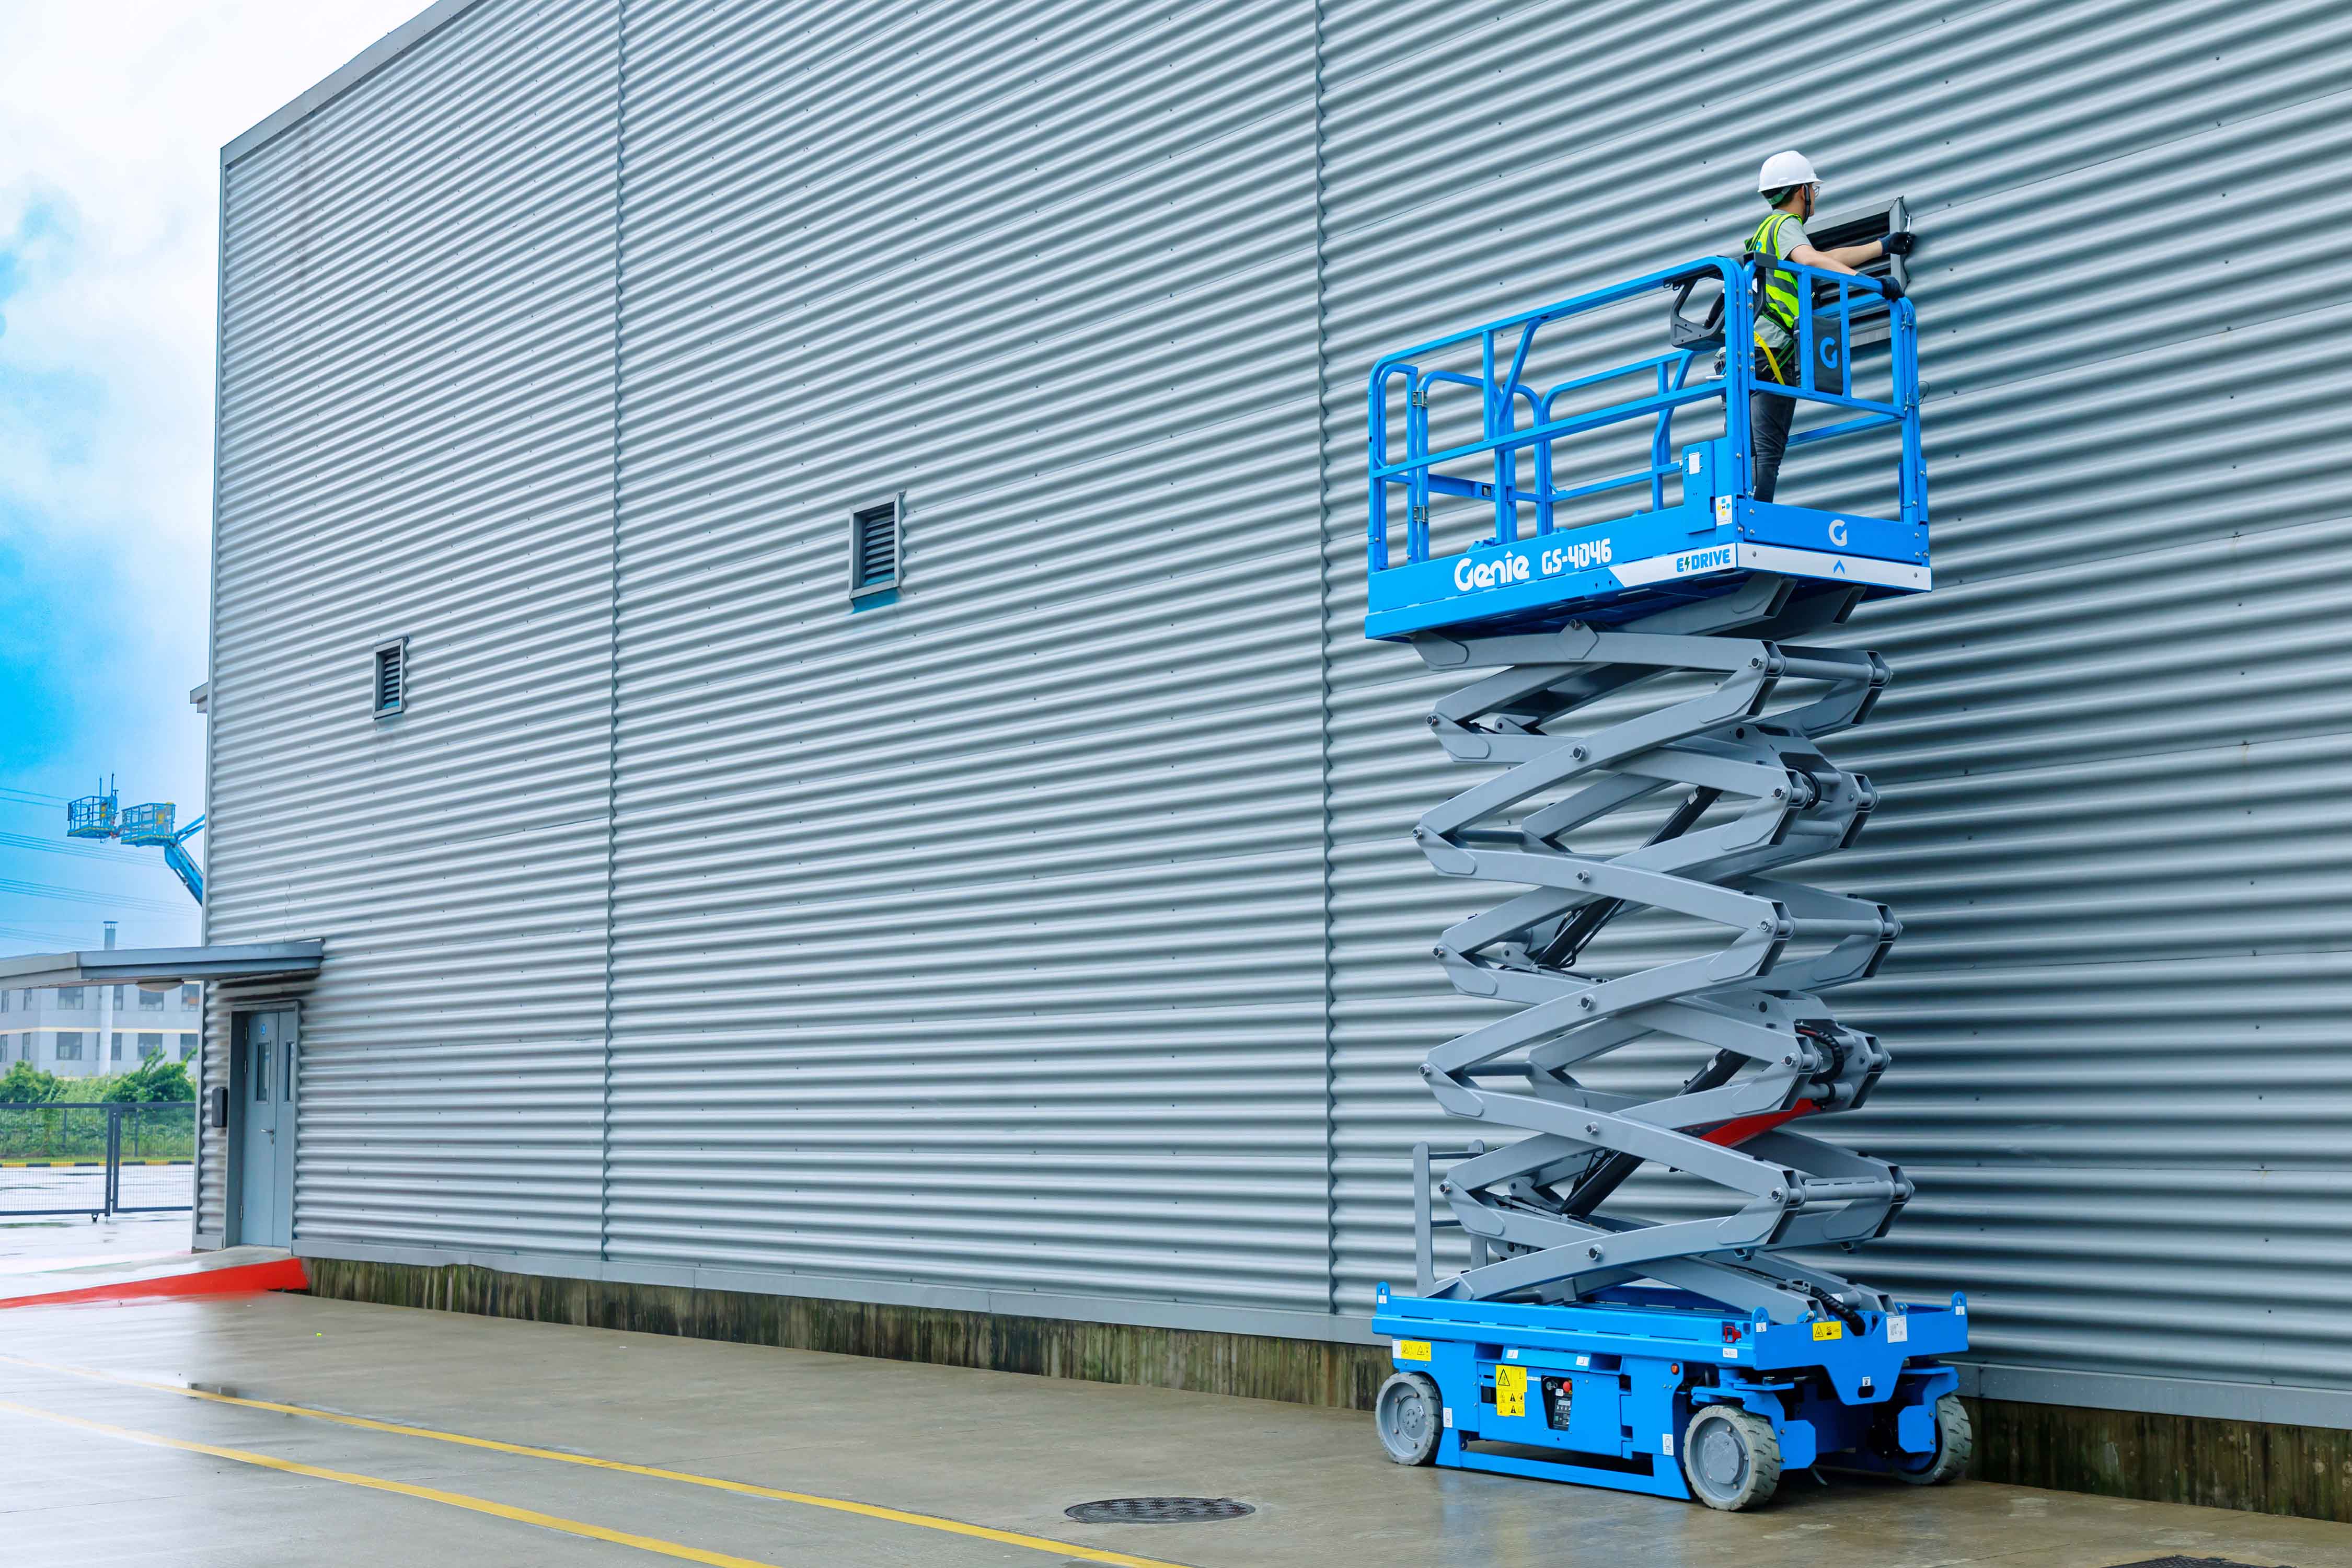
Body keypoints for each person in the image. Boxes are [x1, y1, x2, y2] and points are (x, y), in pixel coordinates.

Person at [1746, 151, 1915, 502]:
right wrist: (1872, 284)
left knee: (1747, 450)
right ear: (1801, 192)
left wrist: (1881, 246)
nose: (1814, 197)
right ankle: (1753, 520)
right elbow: (1811, 259)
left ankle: (1742, 511)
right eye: (1813, 190)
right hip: (1771, 353)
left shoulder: (1768, 231)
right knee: (1768, 451)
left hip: (1750, 353)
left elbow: (1822, 260)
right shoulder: (1786, 225)